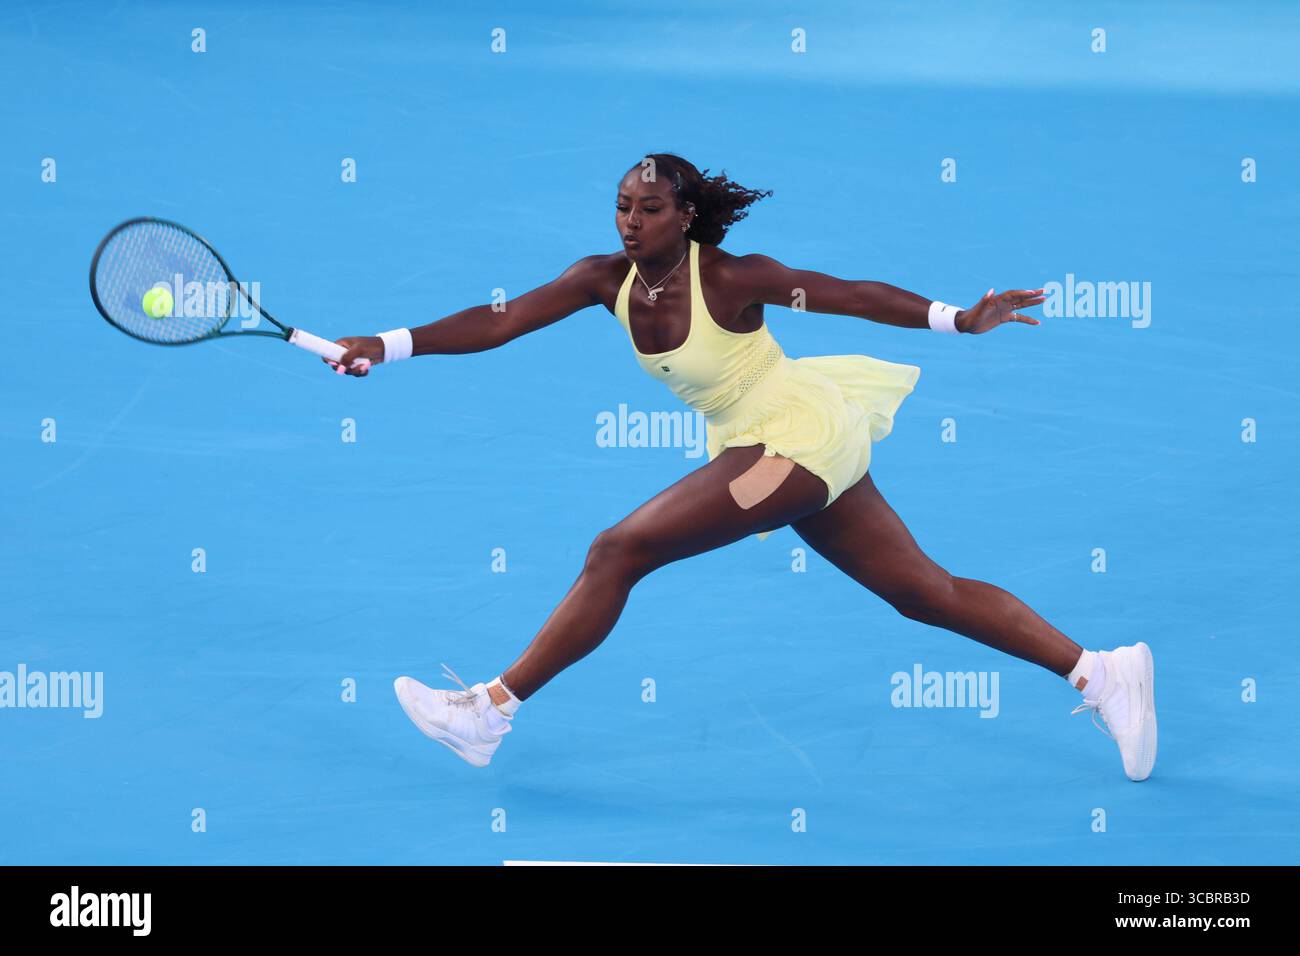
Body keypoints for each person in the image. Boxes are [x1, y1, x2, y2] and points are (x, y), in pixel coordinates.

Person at [326, 153, 1157, 782]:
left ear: (685, 217)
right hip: (767, 441)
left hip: (794, 436)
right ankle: (1102, 673)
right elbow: (498, 322)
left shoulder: (730, 279)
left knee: (620, 550)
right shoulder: (599, 279)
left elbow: (848, 293)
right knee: (921, 593)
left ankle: (489, 711)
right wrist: (388, 346)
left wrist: (958, 320)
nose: (630, 222)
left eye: (649, 209)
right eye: (622, 207)